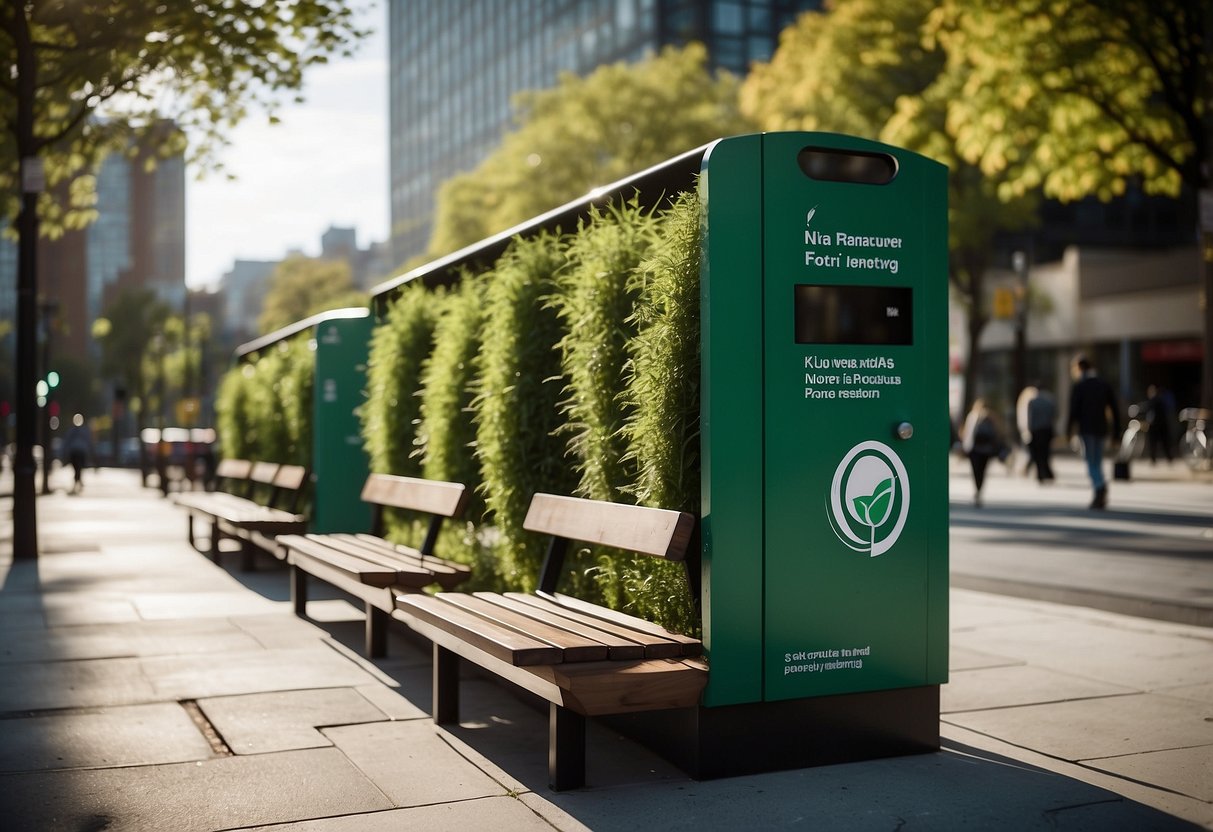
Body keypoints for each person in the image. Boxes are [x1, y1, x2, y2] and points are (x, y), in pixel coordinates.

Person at [1067, 354, 1120, 509]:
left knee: (1091, 461)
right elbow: (1114, 409)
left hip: (1087, 429)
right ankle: (1100, 487)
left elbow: (1073, 411)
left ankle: (1099, 487)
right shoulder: (1103, 384)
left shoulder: (1080, 386)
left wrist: (1069, 431)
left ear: (1079, 368)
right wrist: (1116, 432)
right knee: (1097, 460)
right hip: (1101, 428)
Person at [961, 399, 1005, 507]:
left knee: (976, 471)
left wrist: (965, 446)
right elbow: (997, 432)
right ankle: (979, 489)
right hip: (986, 449)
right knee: (982, 471)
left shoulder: (972, 416)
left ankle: (977, 489)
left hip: (975, 449)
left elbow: (968, 432)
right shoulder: (991, 417)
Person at [1017, 382, 1056, 483]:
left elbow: (1029, 417)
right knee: (1045, 452)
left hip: (1036, 430)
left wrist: (1027, 430)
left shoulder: (1033, 401)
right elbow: (1054, 415)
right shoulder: (1050, 400)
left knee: (1037, 453)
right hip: (1047, 429)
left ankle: (1040, 474)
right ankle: (1046, 473)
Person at [63, 414, 94, 494]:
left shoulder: (82, 430)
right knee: (77, 468)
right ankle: (78, 481)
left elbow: (88, 441)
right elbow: (67, 442)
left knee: (78, 468)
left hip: (80, 452)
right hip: (75, 452)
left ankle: (77, 482)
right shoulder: (73, 430)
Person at [1144, 384, 1174, 464]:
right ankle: (1166, 458)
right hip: (1160, 425)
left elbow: (1150, 414)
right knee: (1162, 443)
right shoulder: (1160, 400)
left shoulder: (1154, 401)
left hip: (1157, 425)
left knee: (1157, 443)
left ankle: (1157, 458)